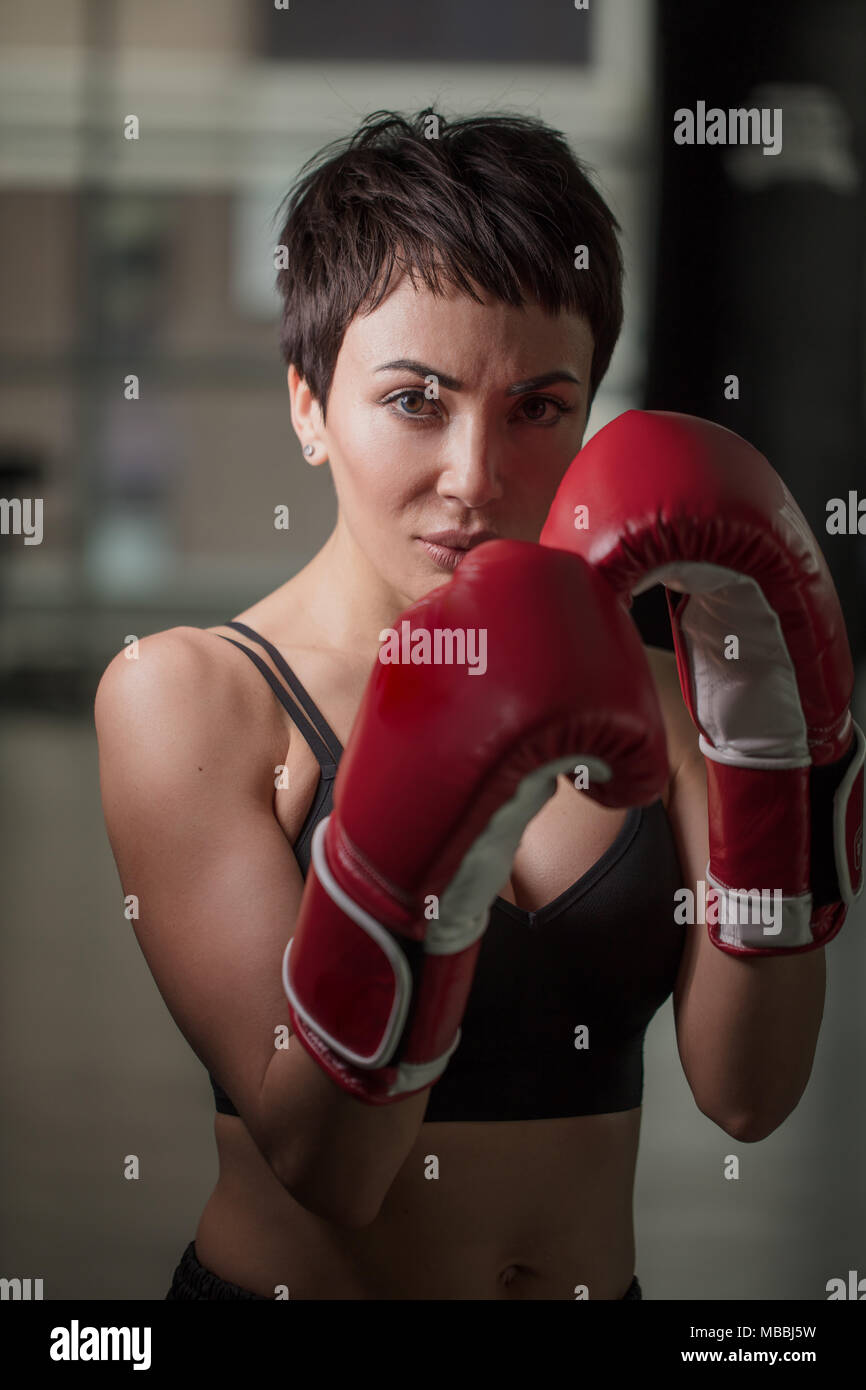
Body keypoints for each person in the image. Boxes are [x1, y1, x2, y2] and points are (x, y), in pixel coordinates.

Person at [94, 109, 848, 1301]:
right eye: (413, 399)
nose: (473, 477)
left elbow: (748, 1095)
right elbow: (327, 1162)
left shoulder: (666, 693)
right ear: (307, 405)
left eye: (537, 408)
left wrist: (764, 752)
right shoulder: (192, 698)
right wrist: (433, 818)